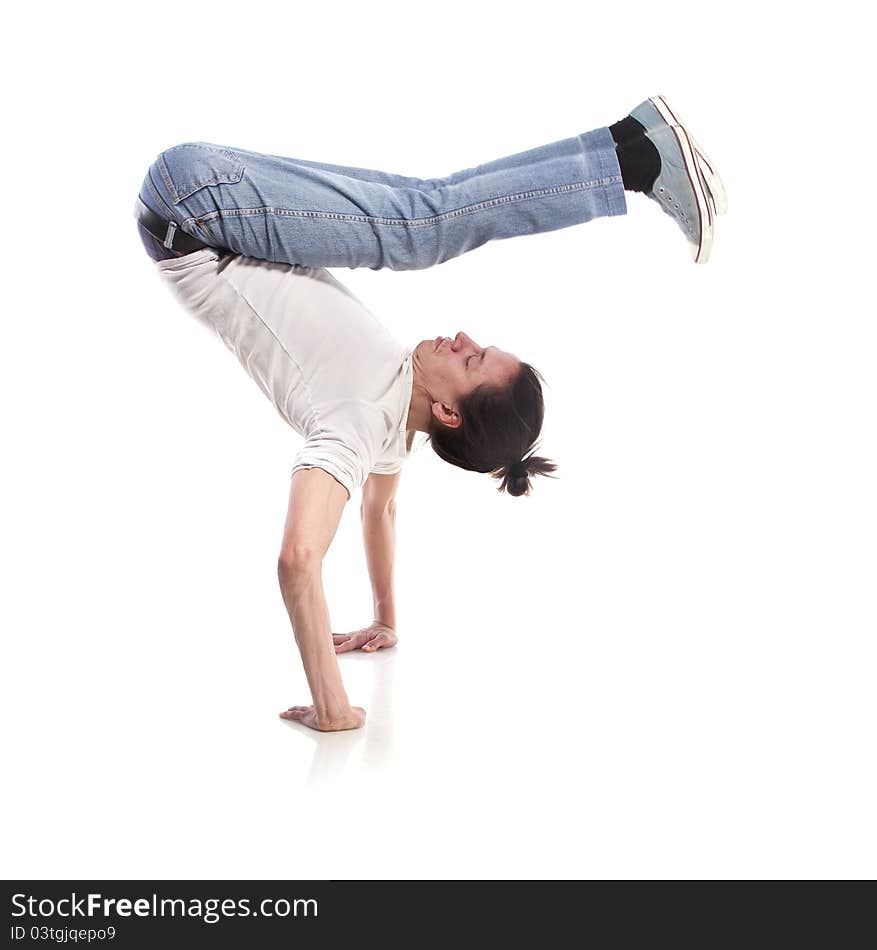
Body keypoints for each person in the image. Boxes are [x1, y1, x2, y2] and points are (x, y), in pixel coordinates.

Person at [134, 95, 726, 732]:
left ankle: (637, 158)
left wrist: (332, 705)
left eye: (472, 361)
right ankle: (629, 142)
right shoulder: (392, 426)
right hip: (210, 201)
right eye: (481, 348)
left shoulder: (356, 424)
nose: (464, 338)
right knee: (430, 205)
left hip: (195, 210)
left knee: (423, 226)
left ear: (447, 411)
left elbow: (299, 557)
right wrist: (386, 618)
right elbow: (381, 507)